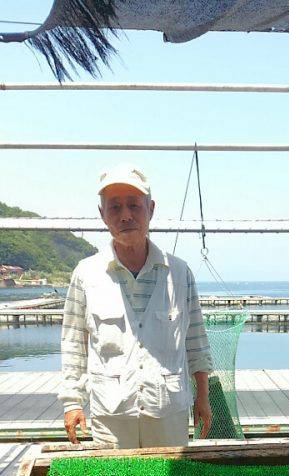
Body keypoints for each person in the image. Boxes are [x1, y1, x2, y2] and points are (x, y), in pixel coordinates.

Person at [59, 163, 213, 448]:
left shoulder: (179, 274)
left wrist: (202, 397)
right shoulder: (86, 274)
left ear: (151, 209)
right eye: (115, 208)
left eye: (134, 205)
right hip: (111, 413)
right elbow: (73, 344)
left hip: (169, 412)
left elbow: (196, 342)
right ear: (102, 215)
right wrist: (72, 402)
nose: (126, 215)